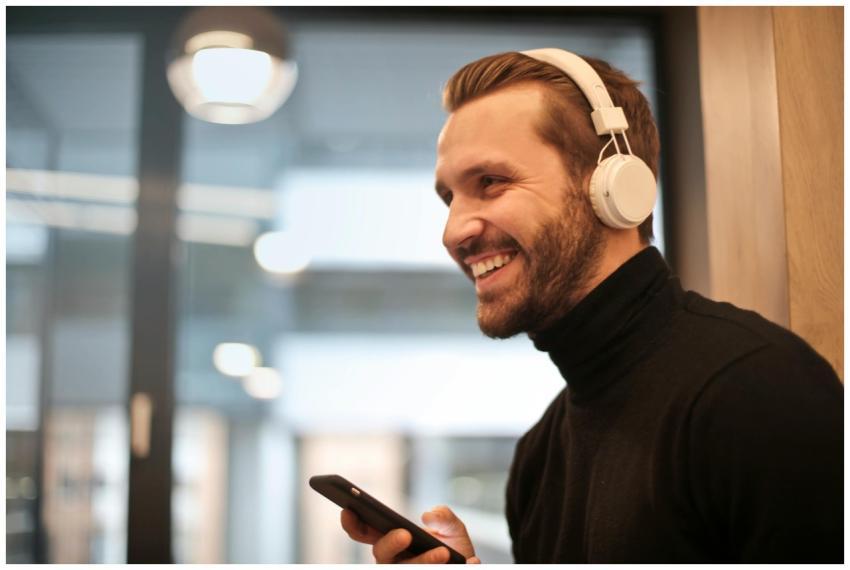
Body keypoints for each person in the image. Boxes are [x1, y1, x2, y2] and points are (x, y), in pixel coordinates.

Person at [338, 49, 843, 563]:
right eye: (450, 198)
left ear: (615, 186)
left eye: (491, 182)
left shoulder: (756, 390)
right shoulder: (539, 458)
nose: (453, 232)